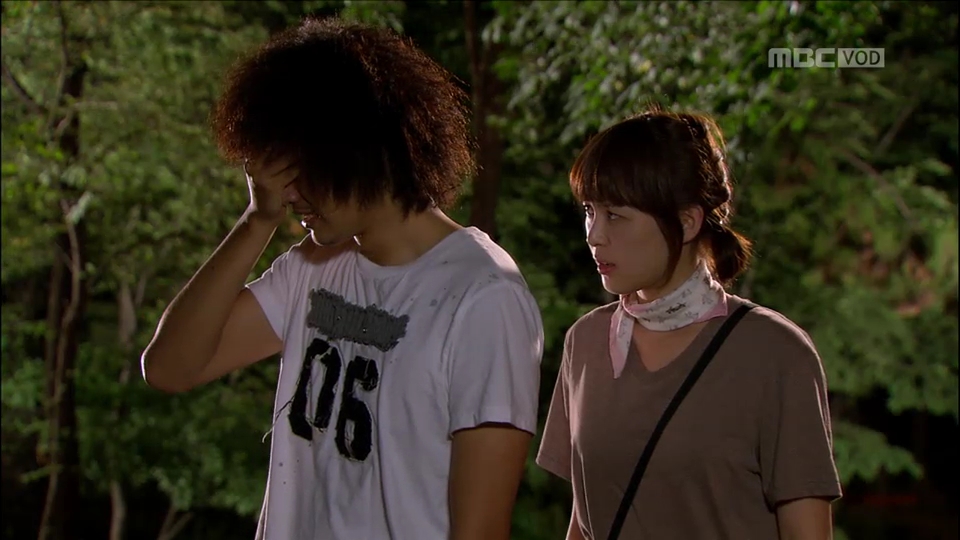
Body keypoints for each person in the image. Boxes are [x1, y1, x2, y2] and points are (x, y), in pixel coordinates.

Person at [140, 17, 543, 540]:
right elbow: (170, 368)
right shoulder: (315, 265)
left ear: (361, 149)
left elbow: (481, 529)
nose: (287, 194)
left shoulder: (484, 296)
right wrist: (257, 220)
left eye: (298, 171)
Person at [537, 108, 842, 539]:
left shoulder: (776, 353)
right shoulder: (585, 342)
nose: (594, 235)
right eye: (590, 211)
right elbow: (584, 521)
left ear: (686, 221)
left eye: (615, 215)